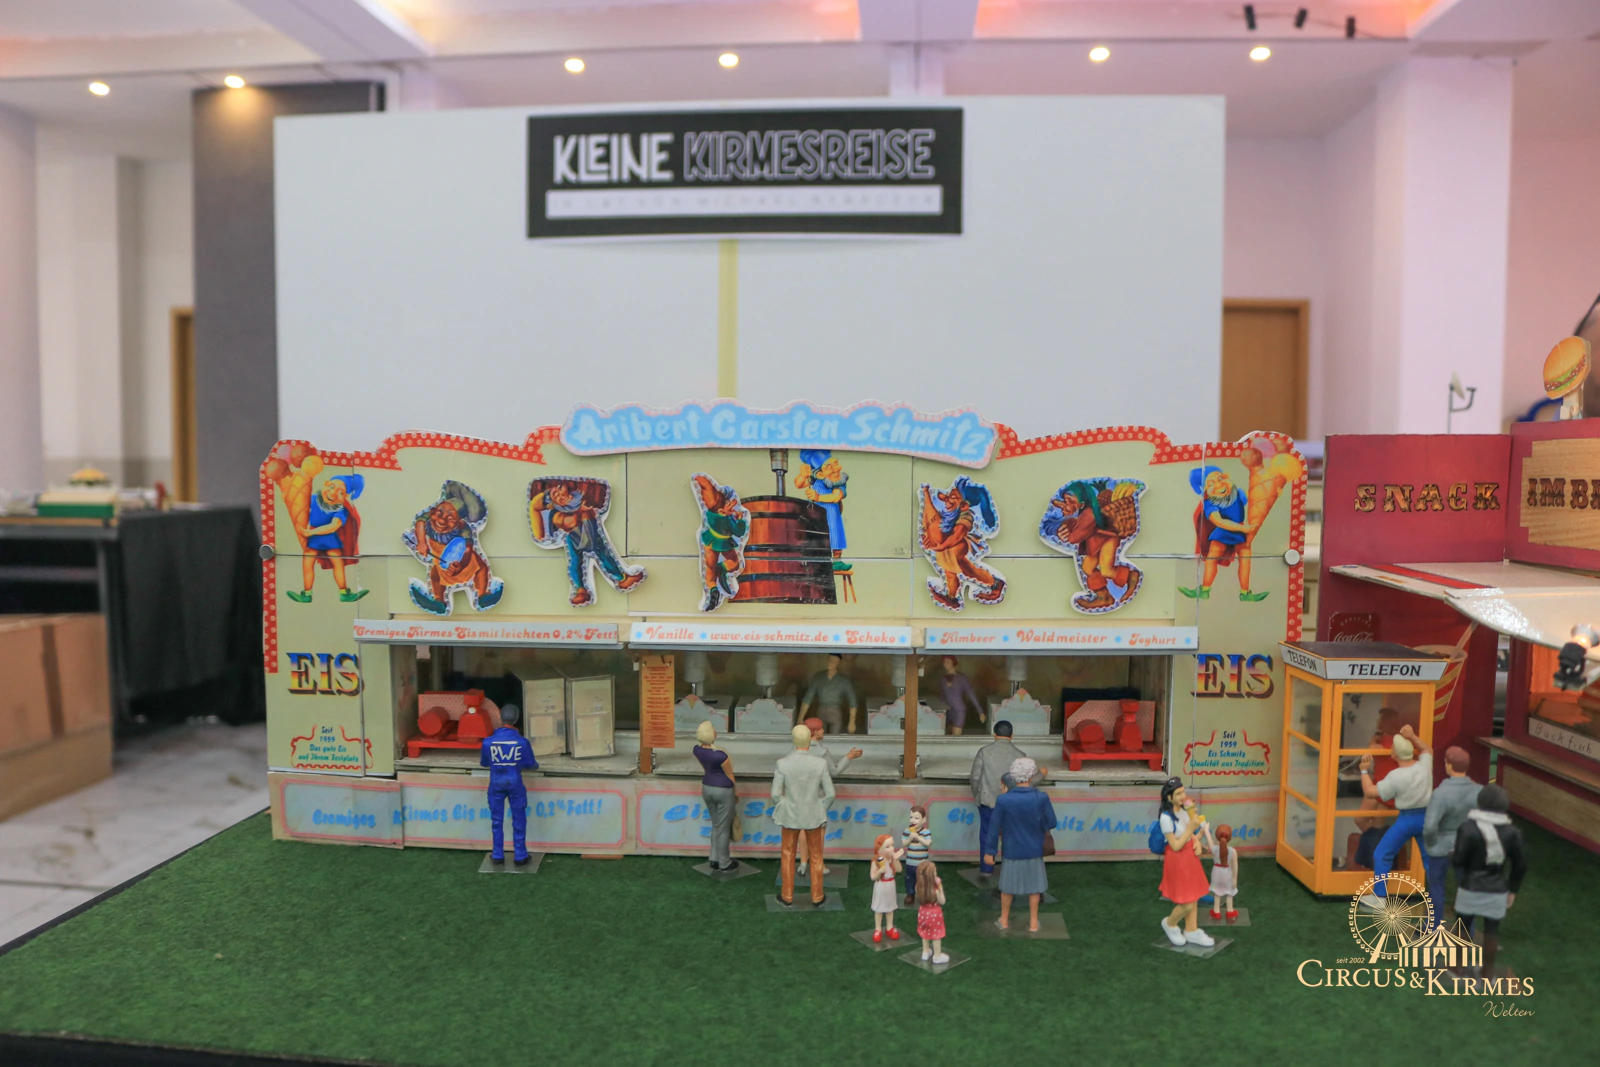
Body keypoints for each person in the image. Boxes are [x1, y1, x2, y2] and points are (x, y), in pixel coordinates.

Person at [1452, 784, 1527, 977]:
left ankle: (1459, 967)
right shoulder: (1513, 833)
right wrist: (1513, 889)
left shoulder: (1467, 828)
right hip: (1497, 887)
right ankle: (1488, 970)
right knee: (1492, 929)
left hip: (1470, 886)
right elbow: (1520, 864)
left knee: (1462, 925)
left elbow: (1459, 860)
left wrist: (1453, 855)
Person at [1357, 724, 1432, 909]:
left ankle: (1380, 897)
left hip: (1407, 820)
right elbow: (1427, 750)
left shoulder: (1396, 776)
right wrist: (1412, 736)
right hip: (1426, 817)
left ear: (1395, 754)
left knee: (1382, 854)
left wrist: (1364, 770)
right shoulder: (1424, 766)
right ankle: (1436, 893)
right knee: (1429, 859)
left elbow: (1370, 791)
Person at [982, 757, 1057, 932]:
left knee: (1007, 887)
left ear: (1014, 776)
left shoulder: (1003, 800)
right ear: (1031, 776)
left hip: (1011, 850)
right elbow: (1052, 822)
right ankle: (1033, 922)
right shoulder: (1041, 797)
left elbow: (994, 827)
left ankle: (1004, 920)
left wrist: (989, 852)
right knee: (1034, 888)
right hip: (1034, 849)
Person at [771, 724, 835, 907]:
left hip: (790, 815)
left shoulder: (783, 763)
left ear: (793, 740)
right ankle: (817, 896)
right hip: (813, 815)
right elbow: (830, 794)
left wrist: (785, 805)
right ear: (809, 740)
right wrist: (819, 807)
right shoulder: (820, 763)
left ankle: (787, 896)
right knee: (816, 855)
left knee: (787, 854)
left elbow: (775, 794)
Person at [969, 721, 1042, 873]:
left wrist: (977, 795)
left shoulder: (984, 752)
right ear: (1012, 735)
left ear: (994, 734)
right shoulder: (1020, 755)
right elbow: (1028, 782)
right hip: (1013, 803)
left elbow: (975, 778)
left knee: (987, 835)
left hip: (988, 801)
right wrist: (1042, 774)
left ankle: (986, 869)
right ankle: (1009, 870)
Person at [1422, 746, 1481, 927]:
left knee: (1436, 887)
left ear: (1448, 765)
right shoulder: (1479, 790)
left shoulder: (1441, 793)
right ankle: (1467, 930)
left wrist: (1430, 844)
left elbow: (1430, 826)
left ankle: (1432, 927)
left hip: (1441, 846)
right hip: (1467, 845)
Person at [1156, 777, 1215, 948]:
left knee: (1194, 895)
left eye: (1183, 792)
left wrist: (1197, 838)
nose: (1183, 796)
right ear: (1169, 797)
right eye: (1178, 793)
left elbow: (1188, 837)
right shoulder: (1166, 818)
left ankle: (1191, 930)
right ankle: (1170, 923)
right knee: (1187, 902)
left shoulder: (1183, 811)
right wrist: (1191, 828)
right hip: (1177, 860)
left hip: (1189, 857)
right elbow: (1175, 846)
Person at [799, 717, 861, 876]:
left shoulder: (796, 749)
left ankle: (803, 862)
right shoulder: (822, 752)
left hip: (800, 795)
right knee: (819, 832)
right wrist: (848, 757)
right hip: (818, 796)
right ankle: (818, 863)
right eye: (820, 729)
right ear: (815, 733)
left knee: (803, 829)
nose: (823, 731)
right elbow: (834, 771)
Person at [479, 704, 537, 865]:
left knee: (496, 820)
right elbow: (531, 764)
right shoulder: (522, 742)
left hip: (496, 783)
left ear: (500, 718)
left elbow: (484, 763)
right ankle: (520, 855)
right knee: (519, 819)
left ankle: (497, 854)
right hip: (515, 783)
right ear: (516, 719)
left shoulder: (488, 742)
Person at [692, 721, 737, 871]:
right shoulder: (720, 755)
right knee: (724, 827)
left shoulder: (697, 750)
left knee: (716, 825)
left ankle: (714, 857)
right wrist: (735, 792)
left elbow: (705, 768)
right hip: (723, 789)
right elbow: (730, 775)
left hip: (707, 787)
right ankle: (724, 861)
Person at [799, 653, 859, 734]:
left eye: (833, 661)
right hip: (821, 713)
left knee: (835, 737)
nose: (830, 662)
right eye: (829, 659)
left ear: (838, 663)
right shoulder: (818, 677)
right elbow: (808, 698)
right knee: (820, 736)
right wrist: (800, 718)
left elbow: (852, 702)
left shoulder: (844, 681)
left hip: (835, 713)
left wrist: (852, 722)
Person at [937, 657, 986, 736]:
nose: (945, 664)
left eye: (948, 662)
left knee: (956, 735)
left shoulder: (961, 678)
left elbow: (971, 694)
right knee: (946, 734)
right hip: (947, 711)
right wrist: (939, 709)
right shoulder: (942, 679)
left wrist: (980, 712)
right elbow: (942, 696)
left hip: (959, 710)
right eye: (944, 662)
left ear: (953, 663)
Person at [869, 834, 904, 941]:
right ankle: (878, 929)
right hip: (880, 885)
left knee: (890, 908)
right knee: (879, 909)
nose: (892, 849)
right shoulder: (876, 861)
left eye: (892, 845)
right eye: (887, 846)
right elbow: (873, 877)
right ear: (879, 849)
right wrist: (879, 872)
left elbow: (899, 870)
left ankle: (889, 927)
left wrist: (896, 859)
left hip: (890, 885)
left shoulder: (892, 859)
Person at [915, 859, 949, 964]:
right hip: (934, 913)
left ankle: (925, 952)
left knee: (924, 931)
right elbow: (942, 901)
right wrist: (940, 888)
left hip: (922, 911)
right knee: (936, 935)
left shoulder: (918, 887)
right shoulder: (935, 890)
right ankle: (937, 956)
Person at [1208, 823, 1239, 923]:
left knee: (1217, 894)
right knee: (1229, 893)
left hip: (1216, 873)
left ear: (1217, 836)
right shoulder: (1233, 851)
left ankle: (1216, 911)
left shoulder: (1214, 849)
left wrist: (1206, 830)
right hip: (1227, 873)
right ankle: (1230, 911)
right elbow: (1235, 867)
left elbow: (1209, 841)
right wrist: (1234, 878)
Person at [902, 804, 932, 906]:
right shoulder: (907, 831)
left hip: (922, 863)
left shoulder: (926, 832)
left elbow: (928, 843)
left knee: (923, 880)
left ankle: (923, 895)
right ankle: (910, 894)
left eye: (916, 818)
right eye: (911, 817)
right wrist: (910, 838)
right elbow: (904, 843)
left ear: (923, 820)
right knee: (910, 879)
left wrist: (918, 837)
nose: (913, 820)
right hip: (910, 862)